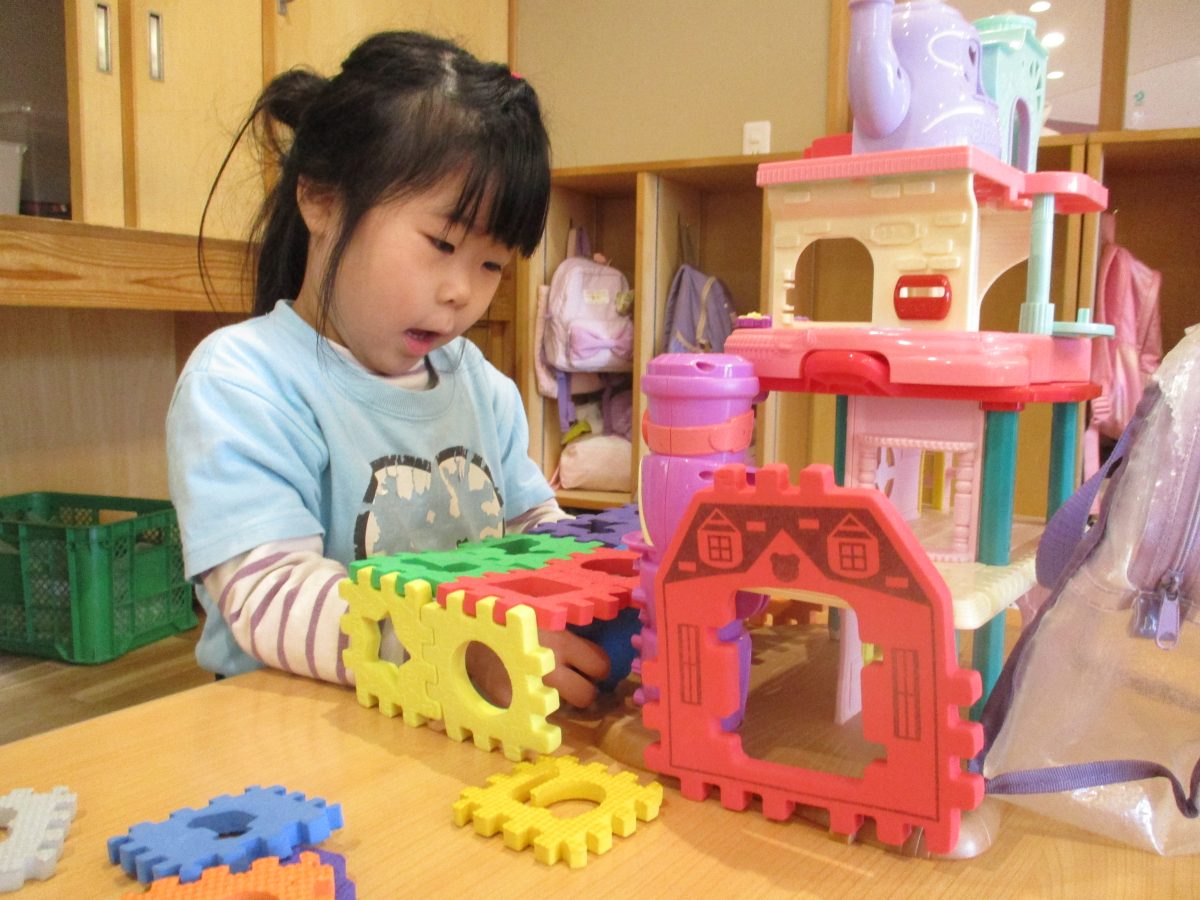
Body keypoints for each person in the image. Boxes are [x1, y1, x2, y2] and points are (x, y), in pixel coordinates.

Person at [167, 31, 610, 708]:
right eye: (441, 244)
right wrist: (461, 650)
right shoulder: (243, 383)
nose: (462, 292)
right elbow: (274, 597)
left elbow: (532, 530)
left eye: (491, 264)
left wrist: (599, 575)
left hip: (444, 718)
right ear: (321, 199)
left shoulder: (479, 386)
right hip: (290, 728)